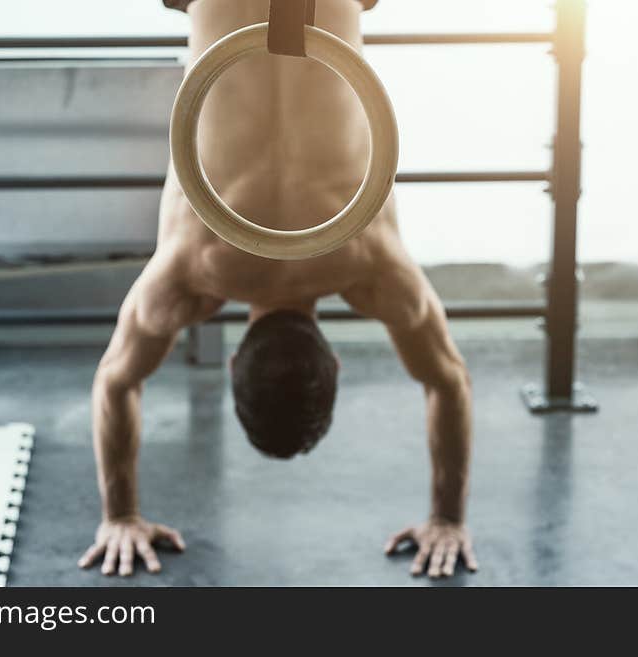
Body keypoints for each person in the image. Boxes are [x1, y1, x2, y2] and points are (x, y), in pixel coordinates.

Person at [78, 0, 477, 579]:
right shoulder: (193, 270)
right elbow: (116, 381)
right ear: (237, 355)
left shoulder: (372, 265)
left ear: (334, 361)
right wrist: (120, 515)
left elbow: (449, 381)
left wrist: (449, 517)